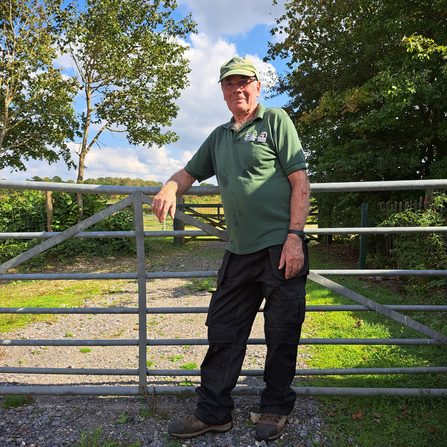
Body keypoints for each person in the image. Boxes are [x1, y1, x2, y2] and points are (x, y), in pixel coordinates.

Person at [151, 56, 310, 442]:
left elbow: (300, 181)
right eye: (229, 84)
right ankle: (214, 413)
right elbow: (188, 173)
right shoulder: (220, 135)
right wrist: (171, 186)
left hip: (279, 248)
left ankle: (274, 408)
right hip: (238, 252)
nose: (237, 89)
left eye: (244, 82)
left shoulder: (274, 120)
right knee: (223, 331)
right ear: (222, 92)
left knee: (281, 333)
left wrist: (295, 237)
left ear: (257, 87)